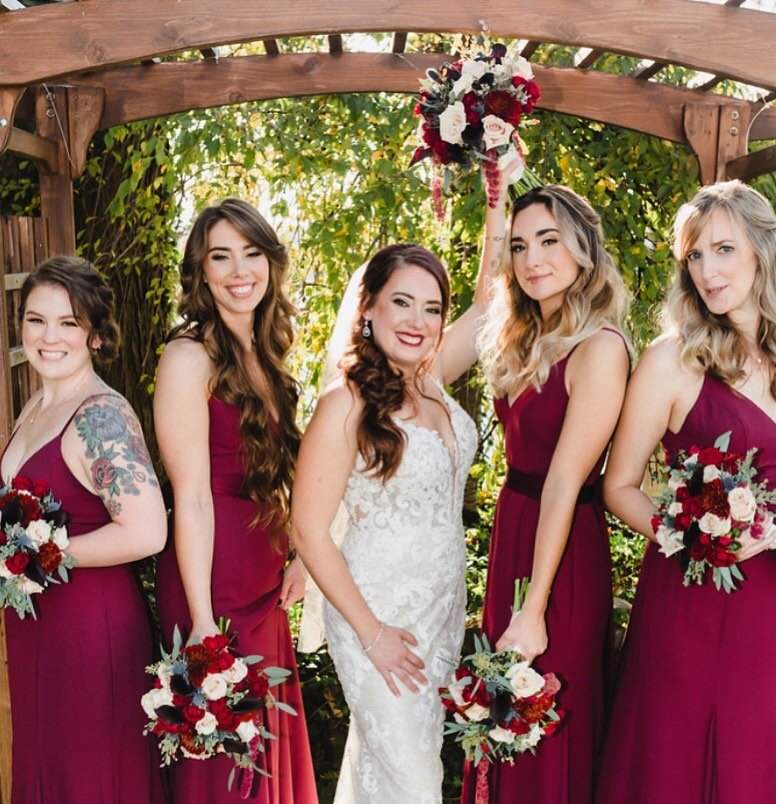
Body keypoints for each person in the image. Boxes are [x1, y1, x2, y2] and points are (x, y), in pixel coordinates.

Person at [291, 202, 516, 802]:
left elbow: (493, 299)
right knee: (412, 781)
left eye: (432, 307)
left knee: (388, 770)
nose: (418, 319)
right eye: (401, 301)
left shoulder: (431, 375)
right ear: (367, 308)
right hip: (376, 611)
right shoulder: (346, 403)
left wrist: (496, 200)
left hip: (438, 608)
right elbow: (309, 530)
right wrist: (371, 634)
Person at [597, 180, 776, 804]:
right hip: (691, 599)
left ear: (760, 250)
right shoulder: (671, 361)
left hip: (771, 609)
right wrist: (692, 533)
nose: (707, 271)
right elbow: (619, 486)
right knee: (675, 761)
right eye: (694, 256)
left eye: (723, 250)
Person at [461, 184, 631, 803]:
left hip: (561, 556)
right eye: (519, 246)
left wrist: (532, 610)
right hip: (516, 529)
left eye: (550, 241)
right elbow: (484, 298)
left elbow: (563, 481)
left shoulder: (601, 349)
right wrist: (494, 196)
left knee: (546, 716)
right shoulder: (525, 335)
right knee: (502, 711)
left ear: (583, 249)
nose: (532, 259)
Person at [153, 199, 317, 803]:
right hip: (212, 578)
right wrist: (200, 621)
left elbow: (280, 475)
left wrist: (302, 552)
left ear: (271, 263)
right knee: (222, 763)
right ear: (200, 271)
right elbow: (191, 496)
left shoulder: (263, 354)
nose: (239, 269)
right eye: (221, 256)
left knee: (264, 750)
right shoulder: (188, 356)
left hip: (263, 579)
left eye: (251, 253)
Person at [0, 256, 166, 803]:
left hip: (91, 635)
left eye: (68, 322)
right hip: (38, 633)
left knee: (90, 778)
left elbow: (147, 532)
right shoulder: (36, 407)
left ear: (94, 335)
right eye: (35, 319)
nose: (49, 337)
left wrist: (40, 552)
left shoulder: (101, 416)